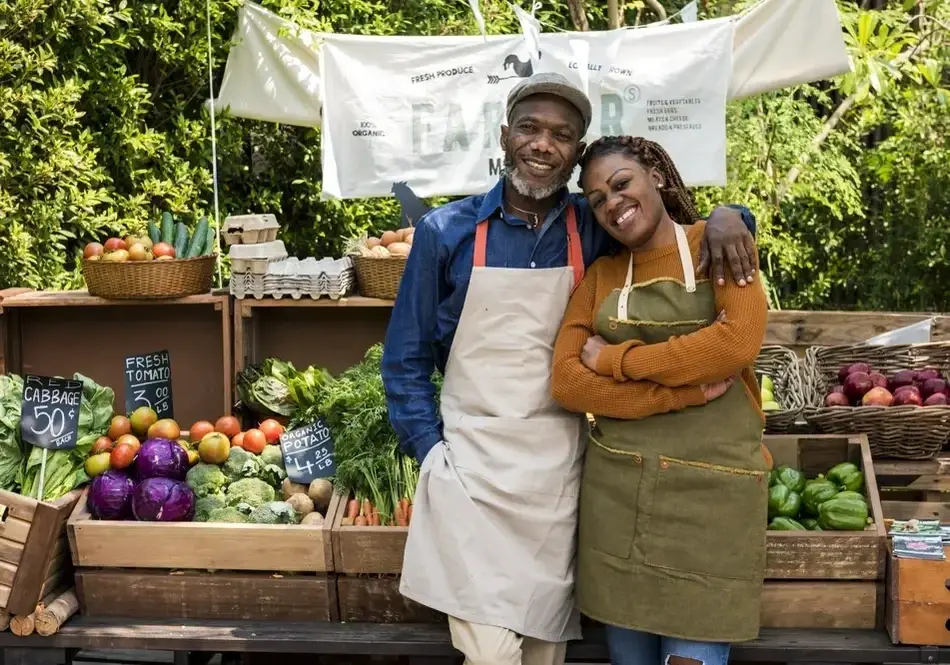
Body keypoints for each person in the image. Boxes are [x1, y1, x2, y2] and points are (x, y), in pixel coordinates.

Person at [381, 72, 758, 665]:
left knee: (542, 652)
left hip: (558, 474)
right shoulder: (445, 232)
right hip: (470, 472)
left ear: (575, 152)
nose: (542, 143)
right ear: (505, 136)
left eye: (561, 134)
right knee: (492, 654)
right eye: (529, 128)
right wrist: (431, 454)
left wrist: (731, 215)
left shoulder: (594, 223)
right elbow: (403, 361)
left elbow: (662, 227)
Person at [550, 134, 770, 665]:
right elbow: (565, 381)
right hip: (619, 497)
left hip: (711, 502)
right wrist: (679, 392)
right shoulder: (601, 277)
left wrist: (614, 362)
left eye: (621, 184)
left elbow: (735, 344)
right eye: (598, 199)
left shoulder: (719, 246)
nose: (612, 204)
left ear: (659, 177)